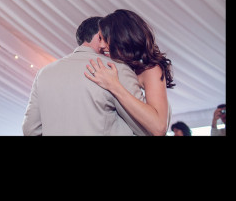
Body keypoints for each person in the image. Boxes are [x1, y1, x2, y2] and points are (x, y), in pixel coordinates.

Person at [22, 18, 150, 136]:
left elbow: (30, 129)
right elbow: (146, 128)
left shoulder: (44, 73)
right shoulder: (114, 69)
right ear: (100, 36)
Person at [84, 9, 174, 136]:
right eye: (100, 38)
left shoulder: (151, 69)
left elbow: (159, 128)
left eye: (105, 39)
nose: (101, 45)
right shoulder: (121, 65)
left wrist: (114, 86)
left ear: (121, 37)